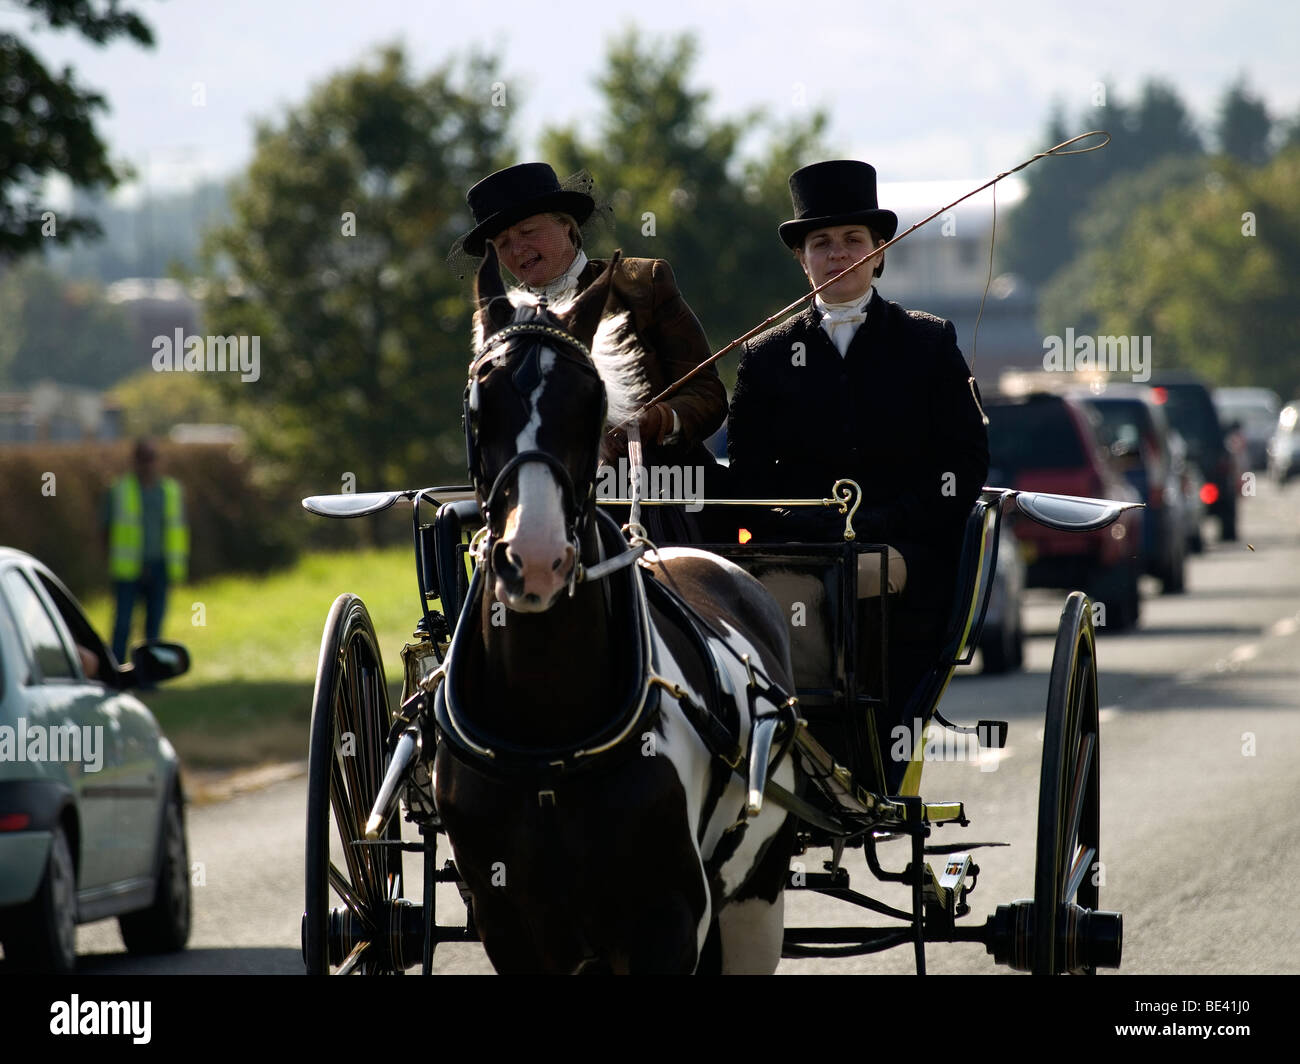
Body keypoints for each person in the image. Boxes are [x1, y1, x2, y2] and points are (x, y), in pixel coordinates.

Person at [727, 160, 989, 787]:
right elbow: (752, 481)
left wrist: (886, 526)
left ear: (878, 254)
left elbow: (962, 467)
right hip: (802, 552)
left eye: (852, 241)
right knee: (783, 600)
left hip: (906, 550)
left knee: (861, 581)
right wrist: (810, 530)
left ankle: (873, 758)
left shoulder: (927, 344)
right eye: (822, 243)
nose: (837, 254)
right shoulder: (763, 361)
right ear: (803, 259)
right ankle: (791, 758)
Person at [453, 162, 728, 542]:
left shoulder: (643, 283)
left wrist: (657, 420)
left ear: (567, 225)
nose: (517, 250)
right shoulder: (499, 324)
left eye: (528, 232)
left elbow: (708, 395)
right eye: (502, 244)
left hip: (663, 497)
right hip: (545, 505)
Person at [102, 438, 189, 664]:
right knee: (122, 624)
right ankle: (117, 671)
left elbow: (178, 528)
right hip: (129, 568)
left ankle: (149, 674)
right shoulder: (120, 490)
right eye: (143, 459)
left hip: (160, 565)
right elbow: (105, 528)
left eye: (151, 459)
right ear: (135, 462)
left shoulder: (170, 490)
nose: (148, 465)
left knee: (154, 625)